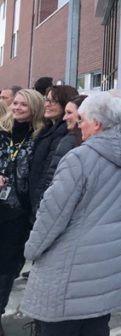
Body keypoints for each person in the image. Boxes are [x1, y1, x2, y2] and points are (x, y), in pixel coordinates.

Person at [20, 92, 121, 335]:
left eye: (83, 119)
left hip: (71, 273)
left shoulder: (79, 158)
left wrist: (31, 250)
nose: (78, 124)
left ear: (96, 124)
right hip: (108, 269)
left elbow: (52, 214)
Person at [0, 89, 46, 334]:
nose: (16, 108)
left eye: (23, 105)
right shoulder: (1, 130)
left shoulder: (39, 136)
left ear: (34, 109)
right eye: (15, 103)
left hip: (18, 216)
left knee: (7, 268)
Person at [28, 85, 79, 221]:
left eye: (53, 101)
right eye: (46, 100)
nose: (47, 104)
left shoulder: (63, 135)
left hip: (43, 205)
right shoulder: (47, 130)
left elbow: (48, 173)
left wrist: (39, 205)